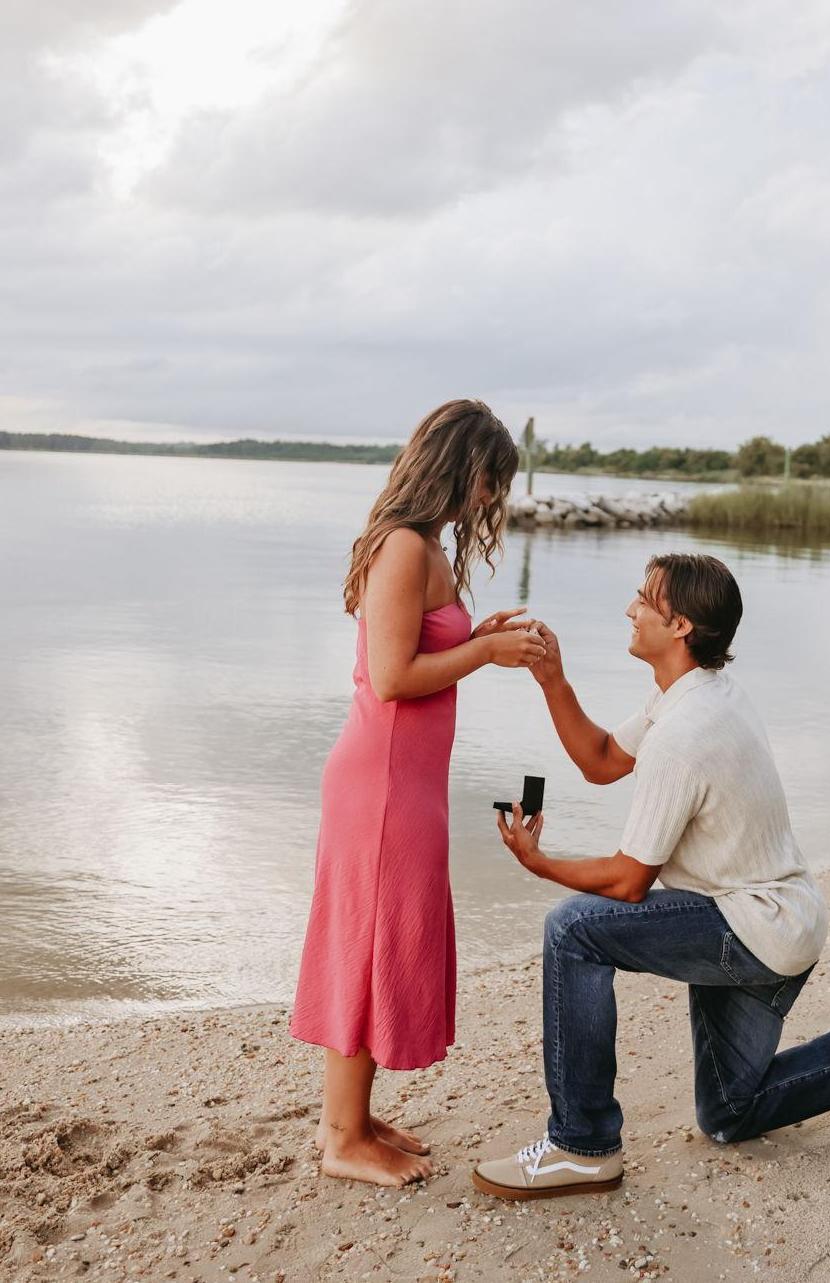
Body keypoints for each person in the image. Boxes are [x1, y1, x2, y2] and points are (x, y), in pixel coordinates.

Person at [472, 552, 830, 1199]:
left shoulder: (687, 732)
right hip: (776, 921)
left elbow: (627, 881)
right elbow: (600, 760)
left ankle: (582, 1145)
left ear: (680, 625)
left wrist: (541, 863)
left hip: (748, 926)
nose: (629, 608)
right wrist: (552, 679)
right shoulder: (696, 691)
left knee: (573, 929)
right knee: (730, 1113)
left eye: (644, 599)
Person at [290, 399, 546, 1188]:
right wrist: (485, 653)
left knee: (382, 939)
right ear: (458, 468)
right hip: (381, 785)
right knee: (369, 944)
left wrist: (477, 639)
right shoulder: (404, 546)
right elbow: (394, 676)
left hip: (405, 782)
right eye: (489, 480)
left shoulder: (423, 545)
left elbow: (420, 652)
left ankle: (354, 1117)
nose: (490, 498)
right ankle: (341, 1137)